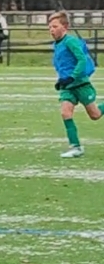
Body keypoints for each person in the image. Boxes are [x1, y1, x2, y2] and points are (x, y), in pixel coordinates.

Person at [50, 10, 102, 159]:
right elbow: (63, 65)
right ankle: (76, 147)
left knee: (95, 115)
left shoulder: (70, 41)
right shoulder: (56, 44)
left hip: (81, 85)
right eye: (50, 27)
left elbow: (82, 60)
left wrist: (72, 77)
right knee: (65, 113)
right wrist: (61, 81)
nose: (51, 30)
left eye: (54, 26)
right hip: (68, 88)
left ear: (64, 27)